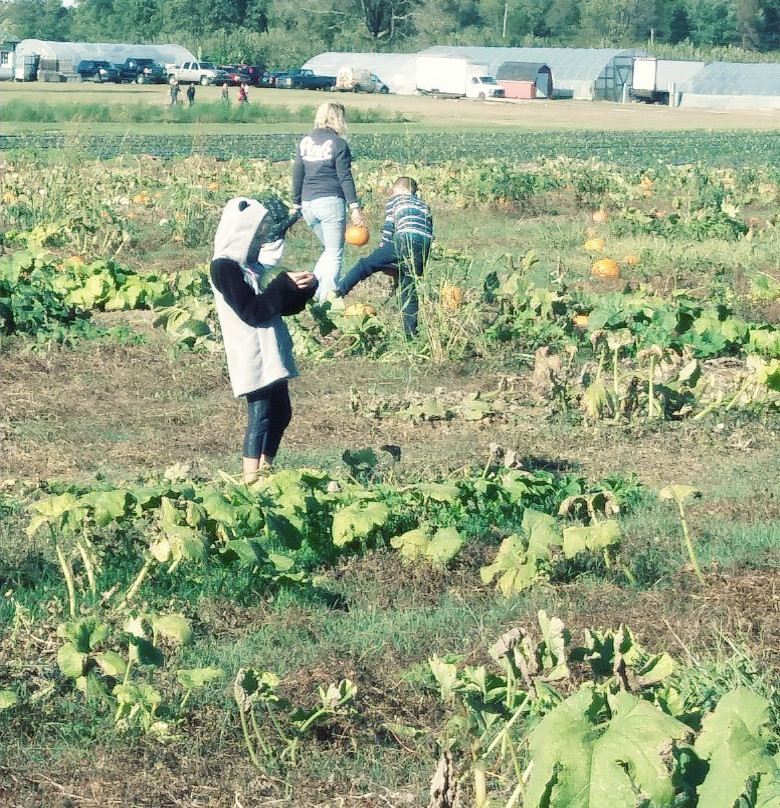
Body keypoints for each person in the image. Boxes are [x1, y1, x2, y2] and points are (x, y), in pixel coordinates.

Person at [210, 195, 317, 482]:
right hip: (250, 350)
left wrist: (300, 290)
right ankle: (250, 479)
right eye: (257, 232)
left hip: (268, 347)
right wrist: (284, 284)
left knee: (281, 412)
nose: (261, 238)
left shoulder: (248, 267)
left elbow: (275, 306)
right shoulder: (224, 267)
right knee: (261, 412)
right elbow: (253, 312)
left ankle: (265, 471)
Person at [336, 176, 433, 336]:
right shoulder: (424, 205)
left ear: (399, 190)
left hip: (404, 238)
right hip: (423, 245)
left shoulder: (396, 200)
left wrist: (383, 250)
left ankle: (341, 290)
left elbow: (389, 227)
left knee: (366, 264)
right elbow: (428, 229)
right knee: (409, 288)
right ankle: (410, 335)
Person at [291, 101, 364, 302]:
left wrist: (296, 202)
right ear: (338, 119)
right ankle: (327, 299)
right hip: (330, 202)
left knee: (330, 250)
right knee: (334, 253)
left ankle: (310, 291)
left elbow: (298, 172)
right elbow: (345, 177)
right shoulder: (338, 144)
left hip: (308, 204)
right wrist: (354, 207)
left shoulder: (305, 141)